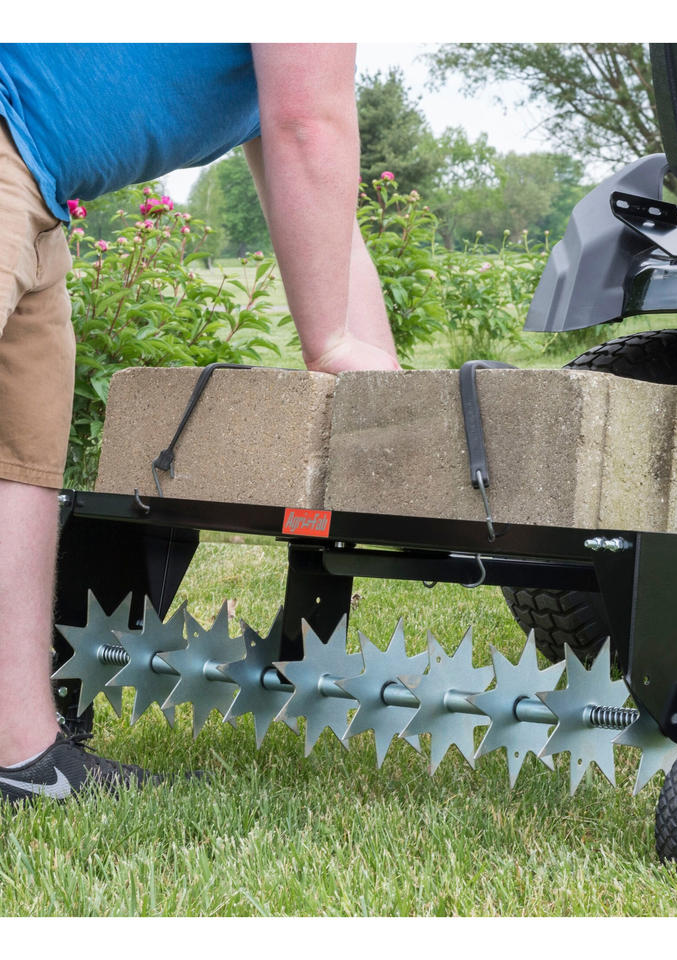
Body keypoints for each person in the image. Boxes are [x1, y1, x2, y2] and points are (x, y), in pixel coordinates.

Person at [0, 43, 400, 802]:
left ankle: (19, 758)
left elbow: (322, 206)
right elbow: (308, 124)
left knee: (18, 460)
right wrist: (331, 345)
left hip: (38, 193)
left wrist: (392, 394)